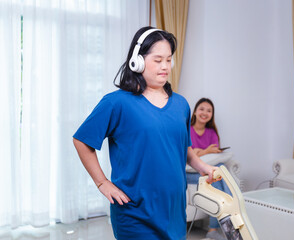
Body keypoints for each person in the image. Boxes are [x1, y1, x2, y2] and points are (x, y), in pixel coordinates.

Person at [72, 26, 220, 240]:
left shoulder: (181, 104)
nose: (165, 67)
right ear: (137, 61)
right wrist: (102, 182)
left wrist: (204, 167)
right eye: (158, 60)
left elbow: (184, 149)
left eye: (168, 60)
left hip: (173, 212)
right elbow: (82, 140)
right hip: (134, 213)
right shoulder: (117, 103)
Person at [187, 98, 229, 240]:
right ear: (195, 112)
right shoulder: (188, 130)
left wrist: (199, 151)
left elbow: (214, 156)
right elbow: (188, 155)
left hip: (206, 172)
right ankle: (217, 228)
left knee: (218, 175)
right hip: (188, 173)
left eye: (209, 111)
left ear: (212, 115)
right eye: (202, 109)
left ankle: (214, 229)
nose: (205, 113)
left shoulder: (212, 133)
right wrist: (204, 151)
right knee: (217, 175)